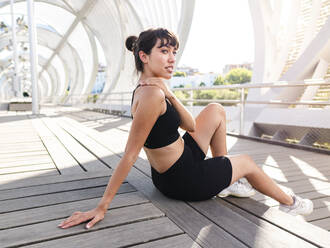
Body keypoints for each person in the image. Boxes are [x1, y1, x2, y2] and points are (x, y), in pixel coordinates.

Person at [58, 28, 313, 230]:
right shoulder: (150, 97)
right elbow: (130, 154)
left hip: (180, 164)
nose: (172, 59)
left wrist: (170, 94)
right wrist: (102, 207)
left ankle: (226, 183)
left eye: (174, 52)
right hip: (184, 181)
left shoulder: (155, 90)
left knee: (215, 109)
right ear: (144, 56)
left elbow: (190, 125)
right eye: (165, 51)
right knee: (246, 162)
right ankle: (290, 203)